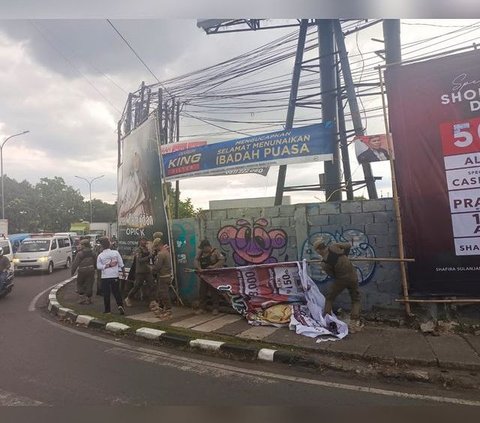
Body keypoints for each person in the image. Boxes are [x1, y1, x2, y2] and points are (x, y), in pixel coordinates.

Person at [313, 239, 363, 333]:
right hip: (353, 276)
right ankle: (354, 322)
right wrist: (345, 256)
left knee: (330, 298)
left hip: (341, 279)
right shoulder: (334, 247)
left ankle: (326, 319)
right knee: (355, 299)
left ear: (318, 250)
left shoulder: (324, 263)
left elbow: (332, 275)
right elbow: (348, 245)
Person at [194, 239, 225, 315]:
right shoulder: (200, 253)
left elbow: (222, 260)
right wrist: (198, 268)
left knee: (214, 292)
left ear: (208, 246)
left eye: (204, 248)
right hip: (204, 276)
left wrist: (214, 266)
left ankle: (215, 309)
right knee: (202, 292)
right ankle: (202, 308)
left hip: (213, 276)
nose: (203, 250)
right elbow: (196, 260)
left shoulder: (215, 252)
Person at [96, 237, 126, 315]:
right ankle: (120, 305)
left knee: (106, 293)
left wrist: (107, 266)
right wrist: (123, 273)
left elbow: (98, 266)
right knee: (116, 292)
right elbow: (121, 264)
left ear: (102, 246)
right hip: (114, 276)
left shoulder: (100, 255)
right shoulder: (115, 253)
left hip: (105, 277)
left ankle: (107, 310)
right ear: (109, 245)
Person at [124, 236, 155, 309]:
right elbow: (140, 260)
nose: (145, 242)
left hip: (147, 271)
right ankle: (128, 298)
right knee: (137, 286)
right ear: (140, 241)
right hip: (140, 271)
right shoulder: (138, 250)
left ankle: (152, 301)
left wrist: (152, 254)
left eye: (145, 240)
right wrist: (149, 256)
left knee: (152, 285)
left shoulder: (147, 249)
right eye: (143, 240)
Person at [151, 237, 173, 319]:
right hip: (167, 275)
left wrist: (152, 270)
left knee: (164, 294)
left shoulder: (161, 254)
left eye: (156, 247)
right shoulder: (166, 252)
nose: (155, 248)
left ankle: (168, 310)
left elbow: (158, 266)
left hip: (163, 276)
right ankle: (162, 308)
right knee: (162, 293)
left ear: (158, 245)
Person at [71, 238, 96, 305]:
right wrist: (95, 268)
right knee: (89, 284)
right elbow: (95, 262)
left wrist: (72, 272)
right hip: (91, 270)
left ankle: (81, 299)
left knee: (80, 284)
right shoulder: (93, 253)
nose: (80, 245)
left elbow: (75, 264)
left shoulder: (80, 254)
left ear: (84, 245)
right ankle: (88, 299)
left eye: (81, 244)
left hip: (82, 271)